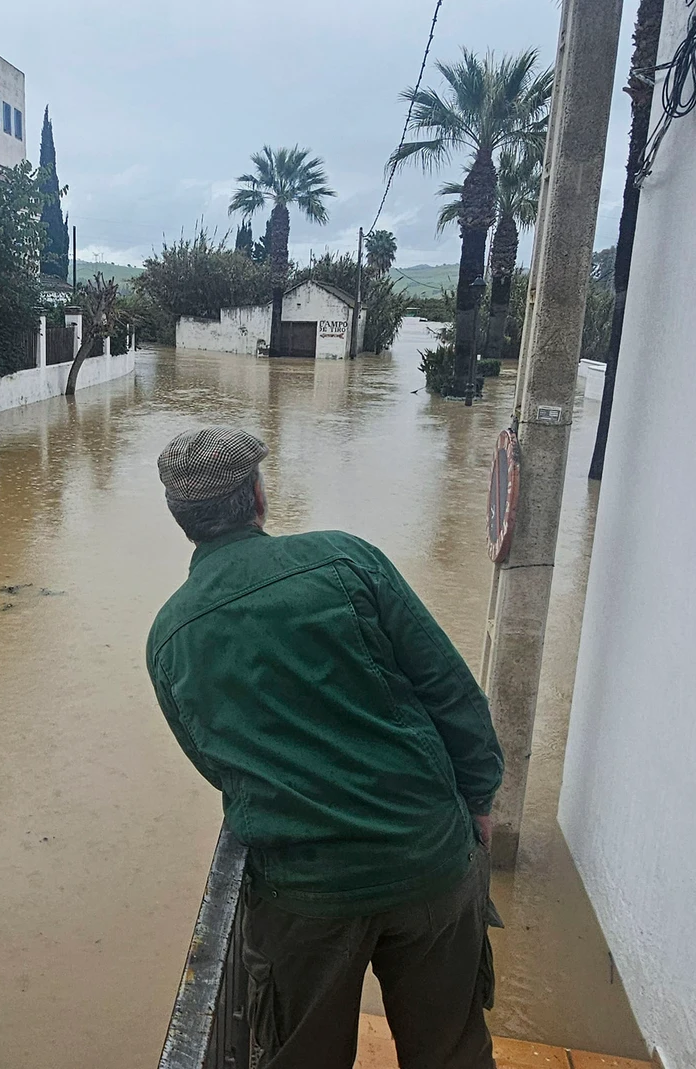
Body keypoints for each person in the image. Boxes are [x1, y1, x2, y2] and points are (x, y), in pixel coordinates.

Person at [146, 426, 504, 1069]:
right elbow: (453, 694)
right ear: (258, 494)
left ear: (184, 522)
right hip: (426, 858)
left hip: (303, 895)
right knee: (452, 1053)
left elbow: (217, 765)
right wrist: (476, 799)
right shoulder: (345, 561)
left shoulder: (170, 638)